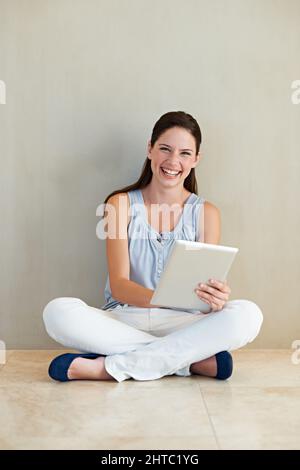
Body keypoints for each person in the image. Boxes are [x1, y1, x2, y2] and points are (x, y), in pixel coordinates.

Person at [42, 111, 263, 383]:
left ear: (196, 160)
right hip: (125, 320)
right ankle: (187, 362)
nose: (173, 161)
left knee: (248, 315)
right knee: (57, 312)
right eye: (165, 149)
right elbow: (120, 285)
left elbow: (202, 300)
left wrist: (214, 300)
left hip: (182, 324)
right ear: (150, 149)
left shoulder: (206, 213)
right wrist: (170, 298)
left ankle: (109, 368)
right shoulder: (119, 204)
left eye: (184, 153)